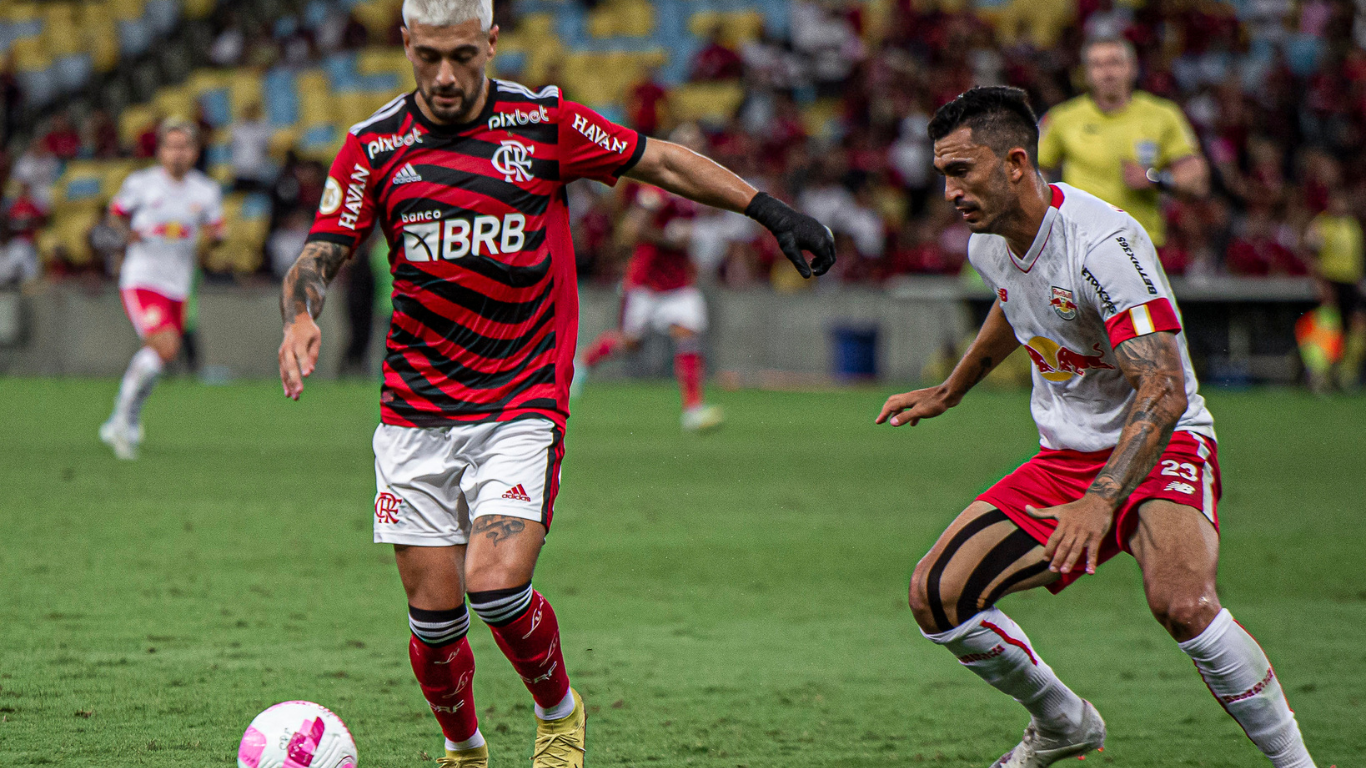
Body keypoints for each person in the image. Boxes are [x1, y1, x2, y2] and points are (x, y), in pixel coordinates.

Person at [275, 2, 835, 767]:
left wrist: (769, 211)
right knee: (434, 622)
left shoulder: (541, 124)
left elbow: (662, 161)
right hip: (413, 411)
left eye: (464, 56)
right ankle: (465, 749)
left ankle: (559, 713)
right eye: (429, 55)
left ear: (493, 43)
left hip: (520, 401)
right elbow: (321, 251)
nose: (445, 75)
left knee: (496, 586)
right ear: (405, 43)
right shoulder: (373, 147)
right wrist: (300, 317)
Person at [877, 87, 1317, 767]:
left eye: (961, 171)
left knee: (1183, 603)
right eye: (943, 174)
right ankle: (1062, 724)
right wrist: (951, 389)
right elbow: (1013, 307)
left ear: (1016, 162)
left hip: (1162, 437)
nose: (948, 190)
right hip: (1069, 455)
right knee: (938, 595)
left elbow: (1163, 388)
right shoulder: (989, 242)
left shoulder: (1103, 244)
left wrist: (1103, 498)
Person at [576, 123, 724, 432]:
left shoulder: (695, 188)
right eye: (688, 145)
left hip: (679, 280)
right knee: (630, 342)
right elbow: (631, 229)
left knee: (688, 334)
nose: (695, 152)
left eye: (698, 145)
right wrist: (670, 238)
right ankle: (581, 365)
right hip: (645, 280)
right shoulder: (658, 189)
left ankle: (693, 409)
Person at [100, 119, 224, 460]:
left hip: (179, 285)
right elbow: (114, 216)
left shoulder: (205, 191)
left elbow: (216, 230)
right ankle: (120, 420)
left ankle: (124, 418)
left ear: (195, 152)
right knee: (164, 346)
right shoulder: (141, 184)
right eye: (171, 146)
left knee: (159, 358)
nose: (177, 153)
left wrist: (211, 241)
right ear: (160, 151)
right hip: (142, 278)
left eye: (184, 147)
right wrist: (128, 235)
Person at [1037, 37, 1209, 249]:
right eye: (1097, 65)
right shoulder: (1062, 118)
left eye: (1115, 63)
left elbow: (1197, 178)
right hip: (1080, 245)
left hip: (1141, 244)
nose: (1107, 72)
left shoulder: (1163, 115)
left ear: (1132, 68)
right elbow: (1035, 172)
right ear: (1087, 73)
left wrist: (1154, 178)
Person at [1303, 188, 1365, 390]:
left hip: (1349, 282)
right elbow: (1311, 253)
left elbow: (1357, 257)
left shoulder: (1353, 226)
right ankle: (1320, 374)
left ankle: (1347, 374)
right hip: (1330, 280)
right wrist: (1320, 282)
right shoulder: (1321, 224)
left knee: (1356, 326)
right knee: (1327, 327)